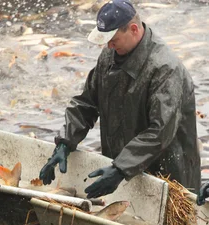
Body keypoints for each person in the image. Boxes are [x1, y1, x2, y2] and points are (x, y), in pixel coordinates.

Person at [39, 0, 201, 199]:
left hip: (168, 175)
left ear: (133, 29)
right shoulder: (110, 54)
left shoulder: (166, 69)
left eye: (113, 39)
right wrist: (64, 143)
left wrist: (120, 169)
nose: (108, 45)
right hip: (122, 167)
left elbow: (160, 132)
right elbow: (86, 103)